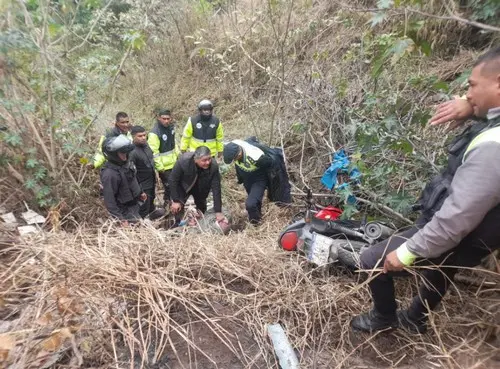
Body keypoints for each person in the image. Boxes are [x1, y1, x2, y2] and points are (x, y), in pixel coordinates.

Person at [351, 46, 500, 334]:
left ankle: (384, 319)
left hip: (467, 230)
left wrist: (407, 252)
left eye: (472, 86)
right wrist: (474, 109)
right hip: (482, 233)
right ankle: (415, 319)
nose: (466, 94)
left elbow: (456, 219)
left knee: (371, 260)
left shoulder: (492, 147)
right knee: (445, 264)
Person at [223, 138, 291, 224]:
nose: (234, 161)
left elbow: (270, 164)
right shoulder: (232, 145)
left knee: (250, 204)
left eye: (234, 159)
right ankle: (258, 215)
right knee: (254, 201)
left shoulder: (255, 156)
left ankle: (255, 224)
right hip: (246, 175)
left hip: (258, 177)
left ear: (239, 153)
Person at [169, 146, 225, 222]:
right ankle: (177, 223)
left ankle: (200, 222)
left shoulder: (213, 166)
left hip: (201, 187)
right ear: (196, 160)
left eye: (209, 159)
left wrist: (218, 211)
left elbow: (216, 188)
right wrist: (175, 200)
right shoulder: (184, 160)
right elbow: (173, 180)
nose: (208, 162)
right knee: (177, 207)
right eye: (204, 160)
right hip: (184, 185)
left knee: (201, 207)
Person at [100, 135, 147, 225]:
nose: (125, 156)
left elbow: (133, 178)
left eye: (125, 153)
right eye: (122, 153)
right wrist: (120, 219)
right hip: (124, 211)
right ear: (113, 154)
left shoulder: (126, 164)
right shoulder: (110, 174)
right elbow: (109, 200)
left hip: (135, 204)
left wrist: (141, 192)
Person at [148, 109, 179, 206]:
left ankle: (172, 202)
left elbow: (173, 144)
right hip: (164, 166)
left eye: (168, 118)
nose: (166, 121)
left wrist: (179, 156)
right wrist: (160, 167)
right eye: (163, 119)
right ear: (159, 118)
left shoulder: (171, 128)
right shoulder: (155, 133)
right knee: (169, 185)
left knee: (175, 184)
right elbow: (154, 152)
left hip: (174, 163)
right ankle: (167, 203)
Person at [129, 126, 156, 218]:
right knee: (143, 209)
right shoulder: (132, 152)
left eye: (144, 135)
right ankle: (141, 228)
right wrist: (139, 190)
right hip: (142, 185)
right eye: (140, 136)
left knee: (151, 206)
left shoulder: (146, 146)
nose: (143, 138)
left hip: (151, 182)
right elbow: (132, 173)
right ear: (133, 137)